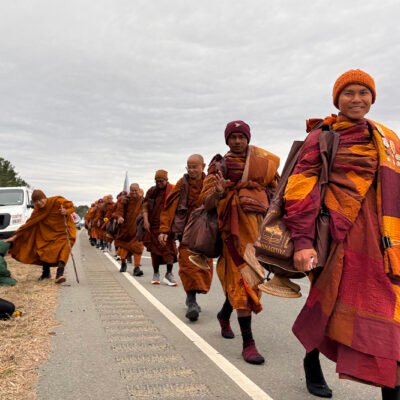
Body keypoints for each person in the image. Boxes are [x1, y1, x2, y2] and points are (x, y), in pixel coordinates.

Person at [284, 69, 400, 399]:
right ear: (337, 99)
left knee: (390, 316)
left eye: (364, 93)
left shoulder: (387, 140)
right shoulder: (322, 137)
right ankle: (311, 360)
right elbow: (300, 190)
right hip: (334, 237)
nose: (356, 99)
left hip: (382, 241)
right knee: (328, 305)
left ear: (373, 98)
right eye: (348, 93)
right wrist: (303, 242)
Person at [200, 120, 279, 364]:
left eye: (241, 136)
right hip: (231, 234)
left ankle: (224, 314)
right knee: (242, 282)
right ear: (227, 140)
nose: (237, 141)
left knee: (248, 281)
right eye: (232, 137)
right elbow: (207, 203)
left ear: (248, 138)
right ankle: (248, 343)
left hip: (258, 234)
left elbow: (277, 193)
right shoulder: (218, 168)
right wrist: (219, 192)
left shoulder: (262, 164)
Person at [159, 154, 213, 321]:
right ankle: (191, 301)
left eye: (194, 167)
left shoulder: (210, 182)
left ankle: (193, 297)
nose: (191, 170)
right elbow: (169, 207)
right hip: (186, 232)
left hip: (206, 232)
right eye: (189, 167)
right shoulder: (182, 184)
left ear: (203, 166)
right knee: (187, 266)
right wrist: (164, 230)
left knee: (203, 267)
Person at [6, 189, 76, 284]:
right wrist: (15, 237)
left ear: (44, 197)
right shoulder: (38, 210)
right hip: (46, 233)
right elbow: (29, 223)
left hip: (63, 232)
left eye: (40, 200)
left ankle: (59, 274)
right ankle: (46, 273)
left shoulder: (57, 201)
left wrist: (66, 211)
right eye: (36, 201)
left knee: (65, 248)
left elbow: (72, 207)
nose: (39, 203)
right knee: (44, 250)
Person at [143, 170, 178, 286]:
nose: (159, 183)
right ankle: (156, 273)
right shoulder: (152, 191)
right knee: (155, 251)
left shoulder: (173, 189)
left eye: (161, 181)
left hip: (168, 226)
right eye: (157, 181)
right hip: (153, 226)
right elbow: (145, 206)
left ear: (166, 180)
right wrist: (146, 220)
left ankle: (169, 273)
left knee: (170, 250)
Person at [114, 184, 144, 276]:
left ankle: (137, 268)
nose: (134, 192)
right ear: (129, 191)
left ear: (139, 190)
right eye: (132, 190)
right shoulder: (125, 200)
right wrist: (119, 217)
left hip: (138, 228)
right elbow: (119, 211)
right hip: (126, 228)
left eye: (136, 190)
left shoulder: (142, 200)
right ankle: (123, 263)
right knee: (123, 248)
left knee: (138, 247)